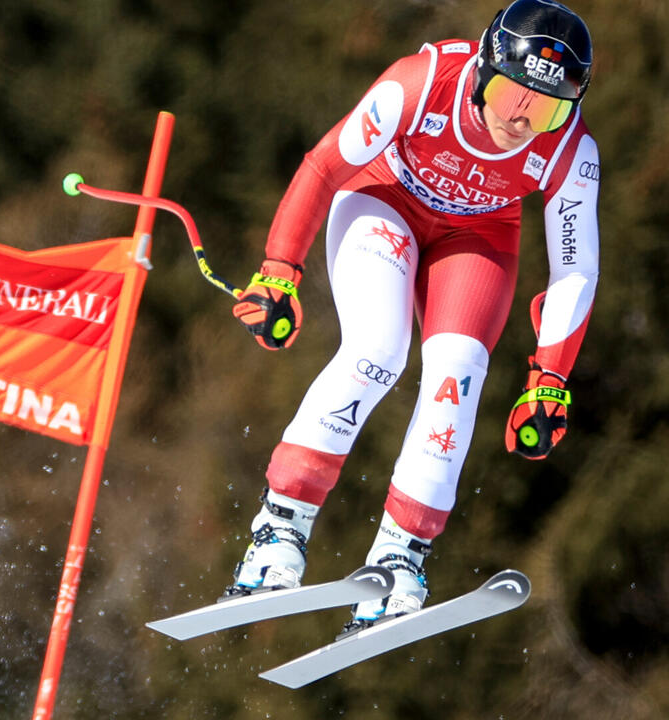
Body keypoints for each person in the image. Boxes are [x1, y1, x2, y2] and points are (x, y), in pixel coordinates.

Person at [227, 0, 599, 632]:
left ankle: (399, 557)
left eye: (546, 107)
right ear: (485, 70)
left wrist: (551, 379)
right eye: (513, 93)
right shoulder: (420, 84)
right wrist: (279, 268)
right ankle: (278, 532)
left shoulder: (569, 149)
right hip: (383, 196)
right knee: (378, 349)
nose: (521, 119)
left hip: (478, 234)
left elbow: (576, 271)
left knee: (457, 374)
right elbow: (324, 164)